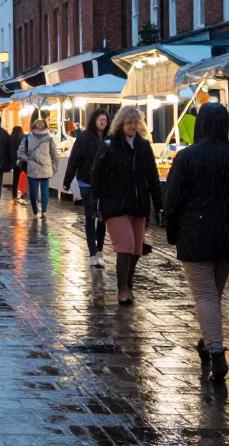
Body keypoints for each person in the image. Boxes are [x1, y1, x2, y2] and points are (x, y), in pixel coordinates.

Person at [163, 102, 229, 383]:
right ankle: (207, 341)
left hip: (195, 232)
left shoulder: (187, 157)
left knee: (206, 295)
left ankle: (216, 351)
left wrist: (172, 232)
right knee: (213, 293)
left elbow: (172, 199)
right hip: (227, 233)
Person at [91, 105, 162, 306]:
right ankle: (122, 289)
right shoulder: (109, 146)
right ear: (120, 123)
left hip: (139, 204)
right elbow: (96, 177)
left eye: (135, 122)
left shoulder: (144, 146)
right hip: (116, 204)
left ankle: (128, 284)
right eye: (128, 122)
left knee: (136, 249)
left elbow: (153, 177)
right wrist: (96, 203)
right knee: (126, 245)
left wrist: (158, 204)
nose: (132, 125)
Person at [63, 108, 110, 266]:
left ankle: (99, 250)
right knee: (90, 215)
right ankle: (92, 251)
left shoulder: (111, 137)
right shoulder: (84, 137)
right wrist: (67, 179)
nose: (103, 122)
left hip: (104, 183)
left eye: (105, 119)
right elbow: (74, 158)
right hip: (86, 180)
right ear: (94, 120)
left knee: (103, 216)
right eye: (100, 119)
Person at [17, 117, 59, 218]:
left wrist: (29, 160)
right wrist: (54, 167)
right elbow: (55, 154)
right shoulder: (49, 137)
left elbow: (20, 152)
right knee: (44, 191)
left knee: (33, 192)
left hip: (33, 169)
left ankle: (35, 209)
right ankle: (43, 212)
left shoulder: (27, 137)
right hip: (46, 167)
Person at [9, 124, 26, 205]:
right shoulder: (24, 137)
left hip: (14, 161)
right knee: (26, 177)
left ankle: (14, 196)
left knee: (15, 179)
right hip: (23, 160)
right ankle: (25, 193)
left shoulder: (10, 137)